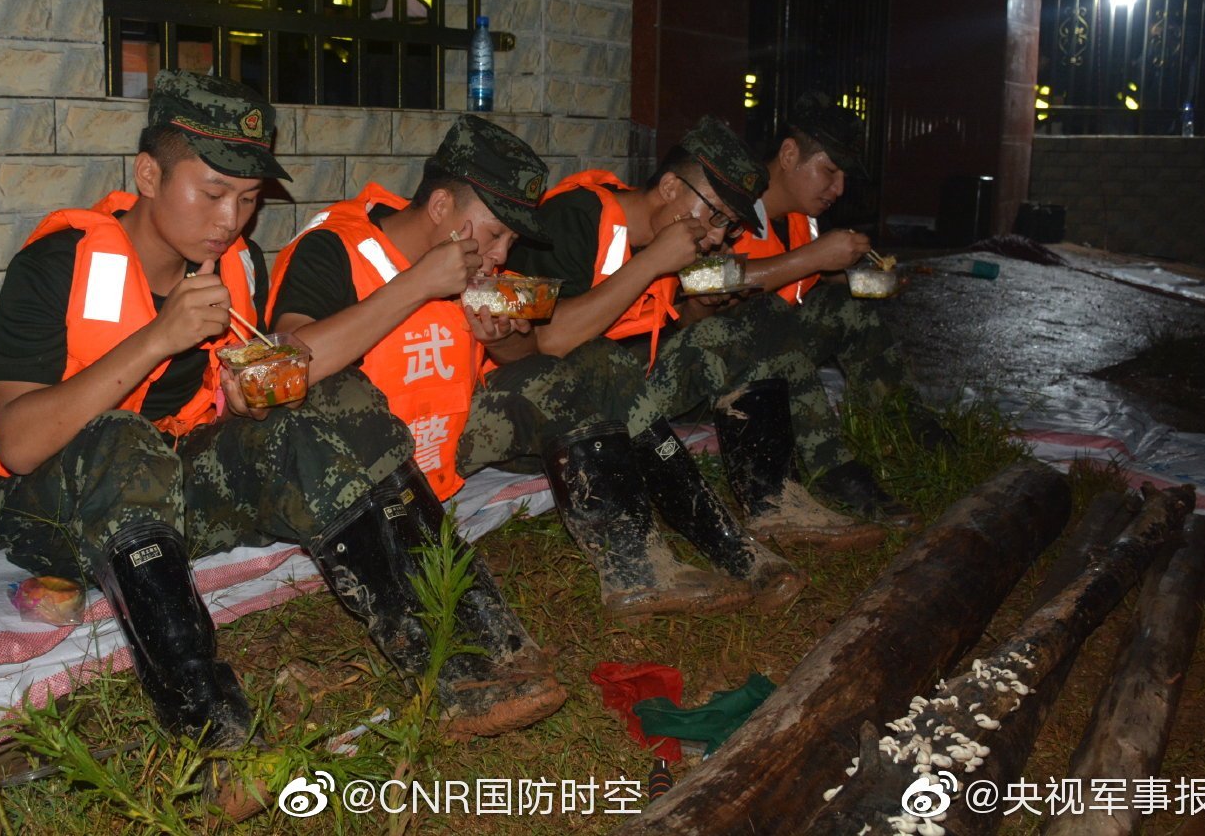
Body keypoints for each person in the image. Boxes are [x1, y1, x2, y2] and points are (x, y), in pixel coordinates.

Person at [0, 72, 563, 757]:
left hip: (175, 496)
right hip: (57, 508)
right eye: (214, 193)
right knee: (122, 440)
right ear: (148, 174)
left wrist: (261, 395)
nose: (231, 220)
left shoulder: (238, 267)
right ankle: (216, 743)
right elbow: (17, 445)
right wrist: (156, 339)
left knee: (333, 397)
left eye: (249, 200)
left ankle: (473, 653)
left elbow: (239, 401)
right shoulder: (56, 265)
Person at [267, 115, 804, 621]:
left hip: (450, 442)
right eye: (496, 233)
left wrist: (506, 343)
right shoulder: (333, 248)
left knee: (594, 366)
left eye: (509, 240)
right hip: (358, 465)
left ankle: (642, 565)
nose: (501, 254)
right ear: (439, 207)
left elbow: (536, 363)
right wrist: (418, 285)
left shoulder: (481, 268)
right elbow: (283, 369)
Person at [506, 116, 903, 541]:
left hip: (632, 395)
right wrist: (654, 262)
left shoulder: (678, 243)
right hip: (553, 415)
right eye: (715, 216)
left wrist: (697, 308)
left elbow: (663, 340)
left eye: (729, 225)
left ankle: (787, 495)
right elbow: (546, 342)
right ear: (672, 187)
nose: (717, 237)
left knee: (749, 321)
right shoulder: (574, 217)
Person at [726, 94, 938, 517]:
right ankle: (837, 470)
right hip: (720, 363)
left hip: (774, 354)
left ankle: (916, 429)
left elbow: (798, 282)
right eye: (829, 170)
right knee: (773, 323)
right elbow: (701, 282)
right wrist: (814, 258)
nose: (838, 189)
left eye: (843, 176)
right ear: (788, 155)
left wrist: (850, 276)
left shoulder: (801, 219)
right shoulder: (728, 205)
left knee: (847, 306)